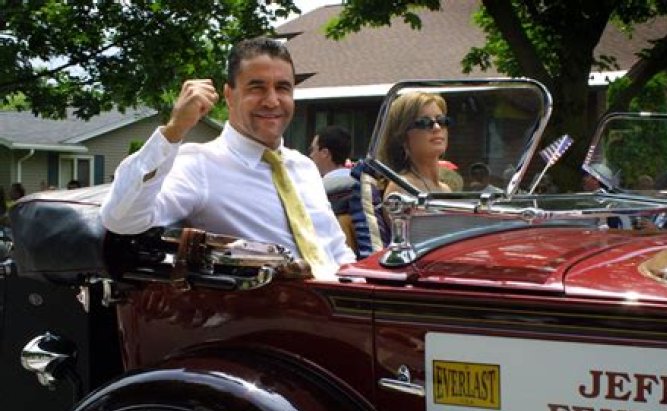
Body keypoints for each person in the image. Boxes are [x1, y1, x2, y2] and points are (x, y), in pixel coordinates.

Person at [101, 37, 355, 277]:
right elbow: (121, 219)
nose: (272, 101)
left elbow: (336, 250)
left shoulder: (304, 167)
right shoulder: (199, 165)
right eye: (257, 88)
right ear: (229, 95)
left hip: (344, 299)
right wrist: (174, 130)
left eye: (282, 88)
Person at [377, 91, 452, 197]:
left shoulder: (446, 189)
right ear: (402, 136)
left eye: (442, 121)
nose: (437, 127)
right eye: (424, 122)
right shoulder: (401, 188)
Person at [309, 125, 357, 250]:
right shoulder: (366, 189)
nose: (311, 155)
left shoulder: (312, 193)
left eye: (313, 150)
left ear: (325, 153)